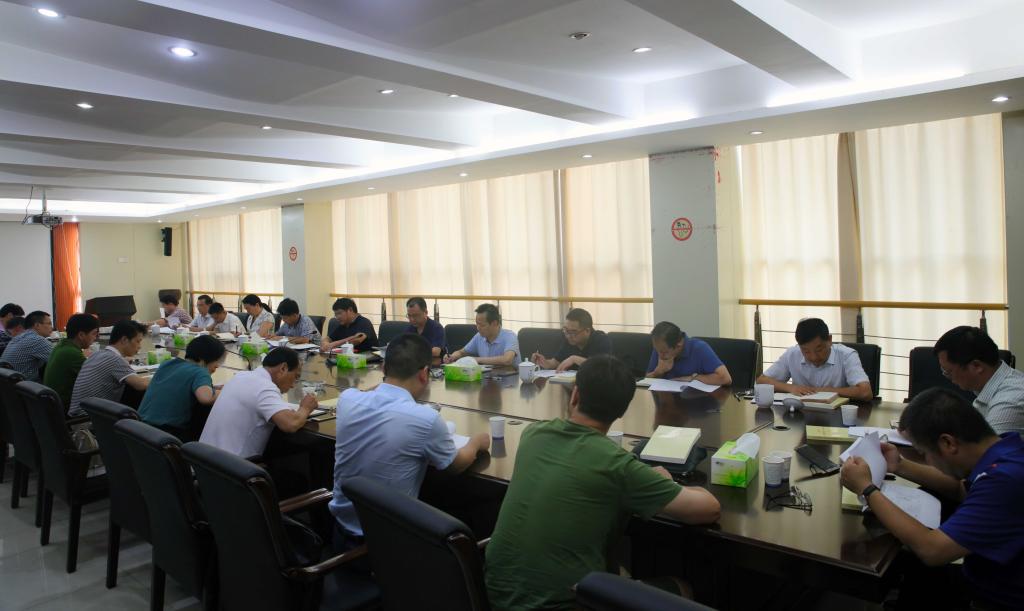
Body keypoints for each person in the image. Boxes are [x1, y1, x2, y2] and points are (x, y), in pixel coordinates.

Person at [485, 355, 721, 610]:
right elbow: (709, 509)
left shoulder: (533, 434)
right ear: (621, 412)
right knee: (681, 587)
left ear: (575, 395)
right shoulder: (617, 465)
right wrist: (667, 483)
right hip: (565, 604)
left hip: (491, 595)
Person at [840, 388, 1024, 610]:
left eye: (924, 453)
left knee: (918, 569)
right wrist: (899, 465)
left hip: (1000, 599)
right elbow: (961, 491)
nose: (927, 460)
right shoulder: (1005, 450)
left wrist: (867, 489)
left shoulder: (1004, 481)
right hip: (988, 577)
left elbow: (932, 550)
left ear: (948, 443)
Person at [329, 333, 490, 550]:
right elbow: (456, 465)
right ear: (424, 374)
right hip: (394, 546)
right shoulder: (425, 419)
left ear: (383, 368)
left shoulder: (347, 399)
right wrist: (477, 442)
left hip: (340, 536)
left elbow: (371, 394)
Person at [199, 347, 315, 458]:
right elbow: (291, 424)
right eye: (296, 377)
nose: (293, 385)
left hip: (203, 460)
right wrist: (305, 408)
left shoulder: (241, 376)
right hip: (230, 466)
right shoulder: (264, 387)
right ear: (283, 368)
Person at [933, 326, 1023, 435]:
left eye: (949, 371)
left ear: (976, 366)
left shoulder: (1008, 402)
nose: (947, 377)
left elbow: (989, 446)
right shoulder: (988, 388)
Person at [756, 318, 872, 401]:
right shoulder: (793, 354)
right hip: (800, 416)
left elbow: (865, 392)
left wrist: (820, 390)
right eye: (806, 351)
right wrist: (792, 388)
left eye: (819, 349)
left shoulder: (847, 355)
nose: (813, 357)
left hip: (837, 415)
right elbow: (761, 380)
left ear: (830, 340)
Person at [139, 335, 225, 441]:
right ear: (204, 360)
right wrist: (226, 391)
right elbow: (206, 397)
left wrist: (212, 387)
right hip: (166, 436)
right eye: (215, 367)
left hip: (139, 429)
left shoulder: (167, 364)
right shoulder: (200, 371)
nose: (214, 371)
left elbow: (178, 384)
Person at [68, 320, 150, 416]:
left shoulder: (97, 354)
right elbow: (140, 385)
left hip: (78, 415)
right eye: (138, 341)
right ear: (124, 340)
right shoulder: (114, 359)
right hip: (88, 419)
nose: (139, 346)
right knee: (141, 394)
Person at [645, 321, 732, 386]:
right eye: (657, 350)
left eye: (664, 352)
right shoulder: (661, 347)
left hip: (696, 401)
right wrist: (657, 372)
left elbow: (726, 378)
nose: (660, 355)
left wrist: (692, 378)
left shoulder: (699, 348)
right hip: (666, 399)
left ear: (679, 344)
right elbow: (646, 380)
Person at [43, 313, 100, 409]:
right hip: (65, 408)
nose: (96, 337)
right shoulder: (72, 353)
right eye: (94, 333)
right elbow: (96, 379)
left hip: (52, 405)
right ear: (81, 335)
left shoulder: (61, 345)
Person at [532, 307, 612, 372]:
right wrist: (546, 363)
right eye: (566, 330)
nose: (568, 336)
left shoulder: (601, 339)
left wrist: (574, 359)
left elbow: (603, 367)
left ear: (587, 331)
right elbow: (556, 361)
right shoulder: (569, 339)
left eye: (573, 332)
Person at [444, 303, 520, 366]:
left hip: (510, 378)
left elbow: (507, 360)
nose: (478, 328)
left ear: (495, 323)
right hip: (488, 377)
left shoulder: (510, 336)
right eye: (477, 324)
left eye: (482, 325)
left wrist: (477, 359)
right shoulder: (479, 336)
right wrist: (452, 356)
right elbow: (461, 352)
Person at [2, 311, 54, 382]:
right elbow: (58, 360)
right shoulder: (36, 340)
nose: (52, 327)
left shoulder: (19, 337)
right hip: (24, 386)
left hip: (7, 384)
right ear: (37, 325)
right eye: (49, 324)